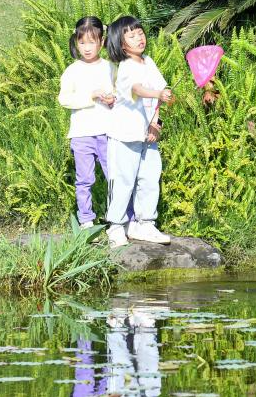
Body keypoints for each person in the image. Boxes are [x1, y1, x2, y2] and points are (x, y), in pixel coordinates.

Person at [104, 16, 174, 247]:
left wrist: (156, 123)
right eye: (131, 35)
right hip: (124, 135)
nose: (139, 38)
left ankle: (144, 224)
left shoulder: (148, 62)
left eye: (140, 32)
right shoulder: (125, 67)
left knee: (149, 178)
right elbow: (138, 89)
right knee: (123, 180)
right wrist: (157, 94)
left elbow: (161, 89)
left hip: (147, 135)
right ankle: (115, 226)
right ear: (121, 44)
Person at [58, 16, 116, 228]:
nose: (87, 48)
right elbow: (64, 99)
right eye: (82, 42)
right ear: (76, 43)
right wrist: (90, 96)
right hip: (82, 133)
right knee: (84, 179)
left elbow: (120, 95)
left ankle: (117, 217)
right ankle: (86, 219)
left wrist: (112, 100)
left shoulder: (110, 68)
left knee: (114, 176)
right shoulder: (73, 70)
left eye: (92, 42)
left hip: (108, 132)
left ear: (101, 42)